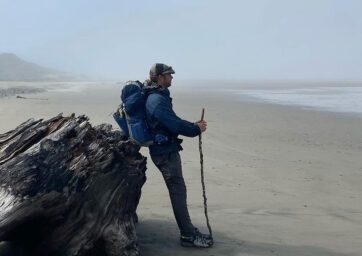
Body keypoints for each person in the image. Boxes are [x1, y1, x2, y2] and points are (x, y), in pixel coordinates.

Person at [144, 63, 213, 248]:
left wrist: (193, 126)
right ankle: (188, 235)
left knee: (178, 191)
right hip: (165, 152)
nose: (172, 77)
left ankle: (188, 232)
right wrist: (195, 129)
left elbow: (171, 121)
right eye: (169, 74)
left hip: (165, 149)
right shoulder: (156, 100)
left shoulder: (156, 97)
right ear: (159, 77)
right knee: (178, 192)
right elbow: (173, 124)